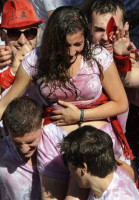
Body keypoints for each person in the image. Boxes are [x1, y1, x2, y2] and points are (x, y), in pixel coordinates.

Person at [0, 6, 131, 196]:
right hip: (53, 140)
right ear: (53, 41)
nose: (71, 53)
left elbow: (121, 103)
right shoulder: (36, 60)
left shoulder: (97, 57)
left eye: (77, 45)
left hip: (94, 140)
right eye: (65, 46)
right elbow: (6, 101)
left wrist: (80, 115)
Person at [0, 97, 89, 200]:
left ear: (42, 124)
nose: (24, 149)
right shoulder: (2, 152)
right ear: (6, 126)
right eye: (17, 143)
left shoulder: (61, 149)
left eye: (30, 142)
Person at [60, 125, 139, 200]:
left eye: (68, 164)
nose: (71, 172)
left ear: (83, 167)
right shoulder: (117, 171)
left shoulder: (117, 197)